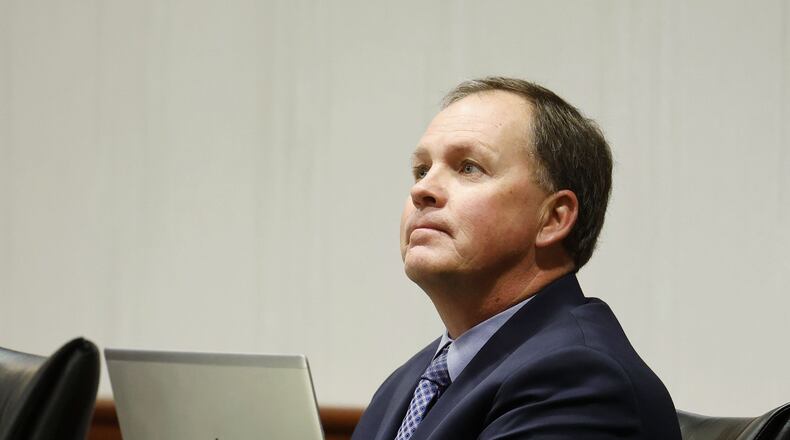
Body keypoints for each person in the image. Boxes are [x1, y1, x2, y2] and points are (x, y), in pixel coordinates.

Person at [350, 77, 681, 440]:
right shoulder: (403, 387)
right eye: (422, 170)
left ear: (553, 218)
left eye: (468, 167)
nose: (422, 189)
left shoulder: (579, 380)